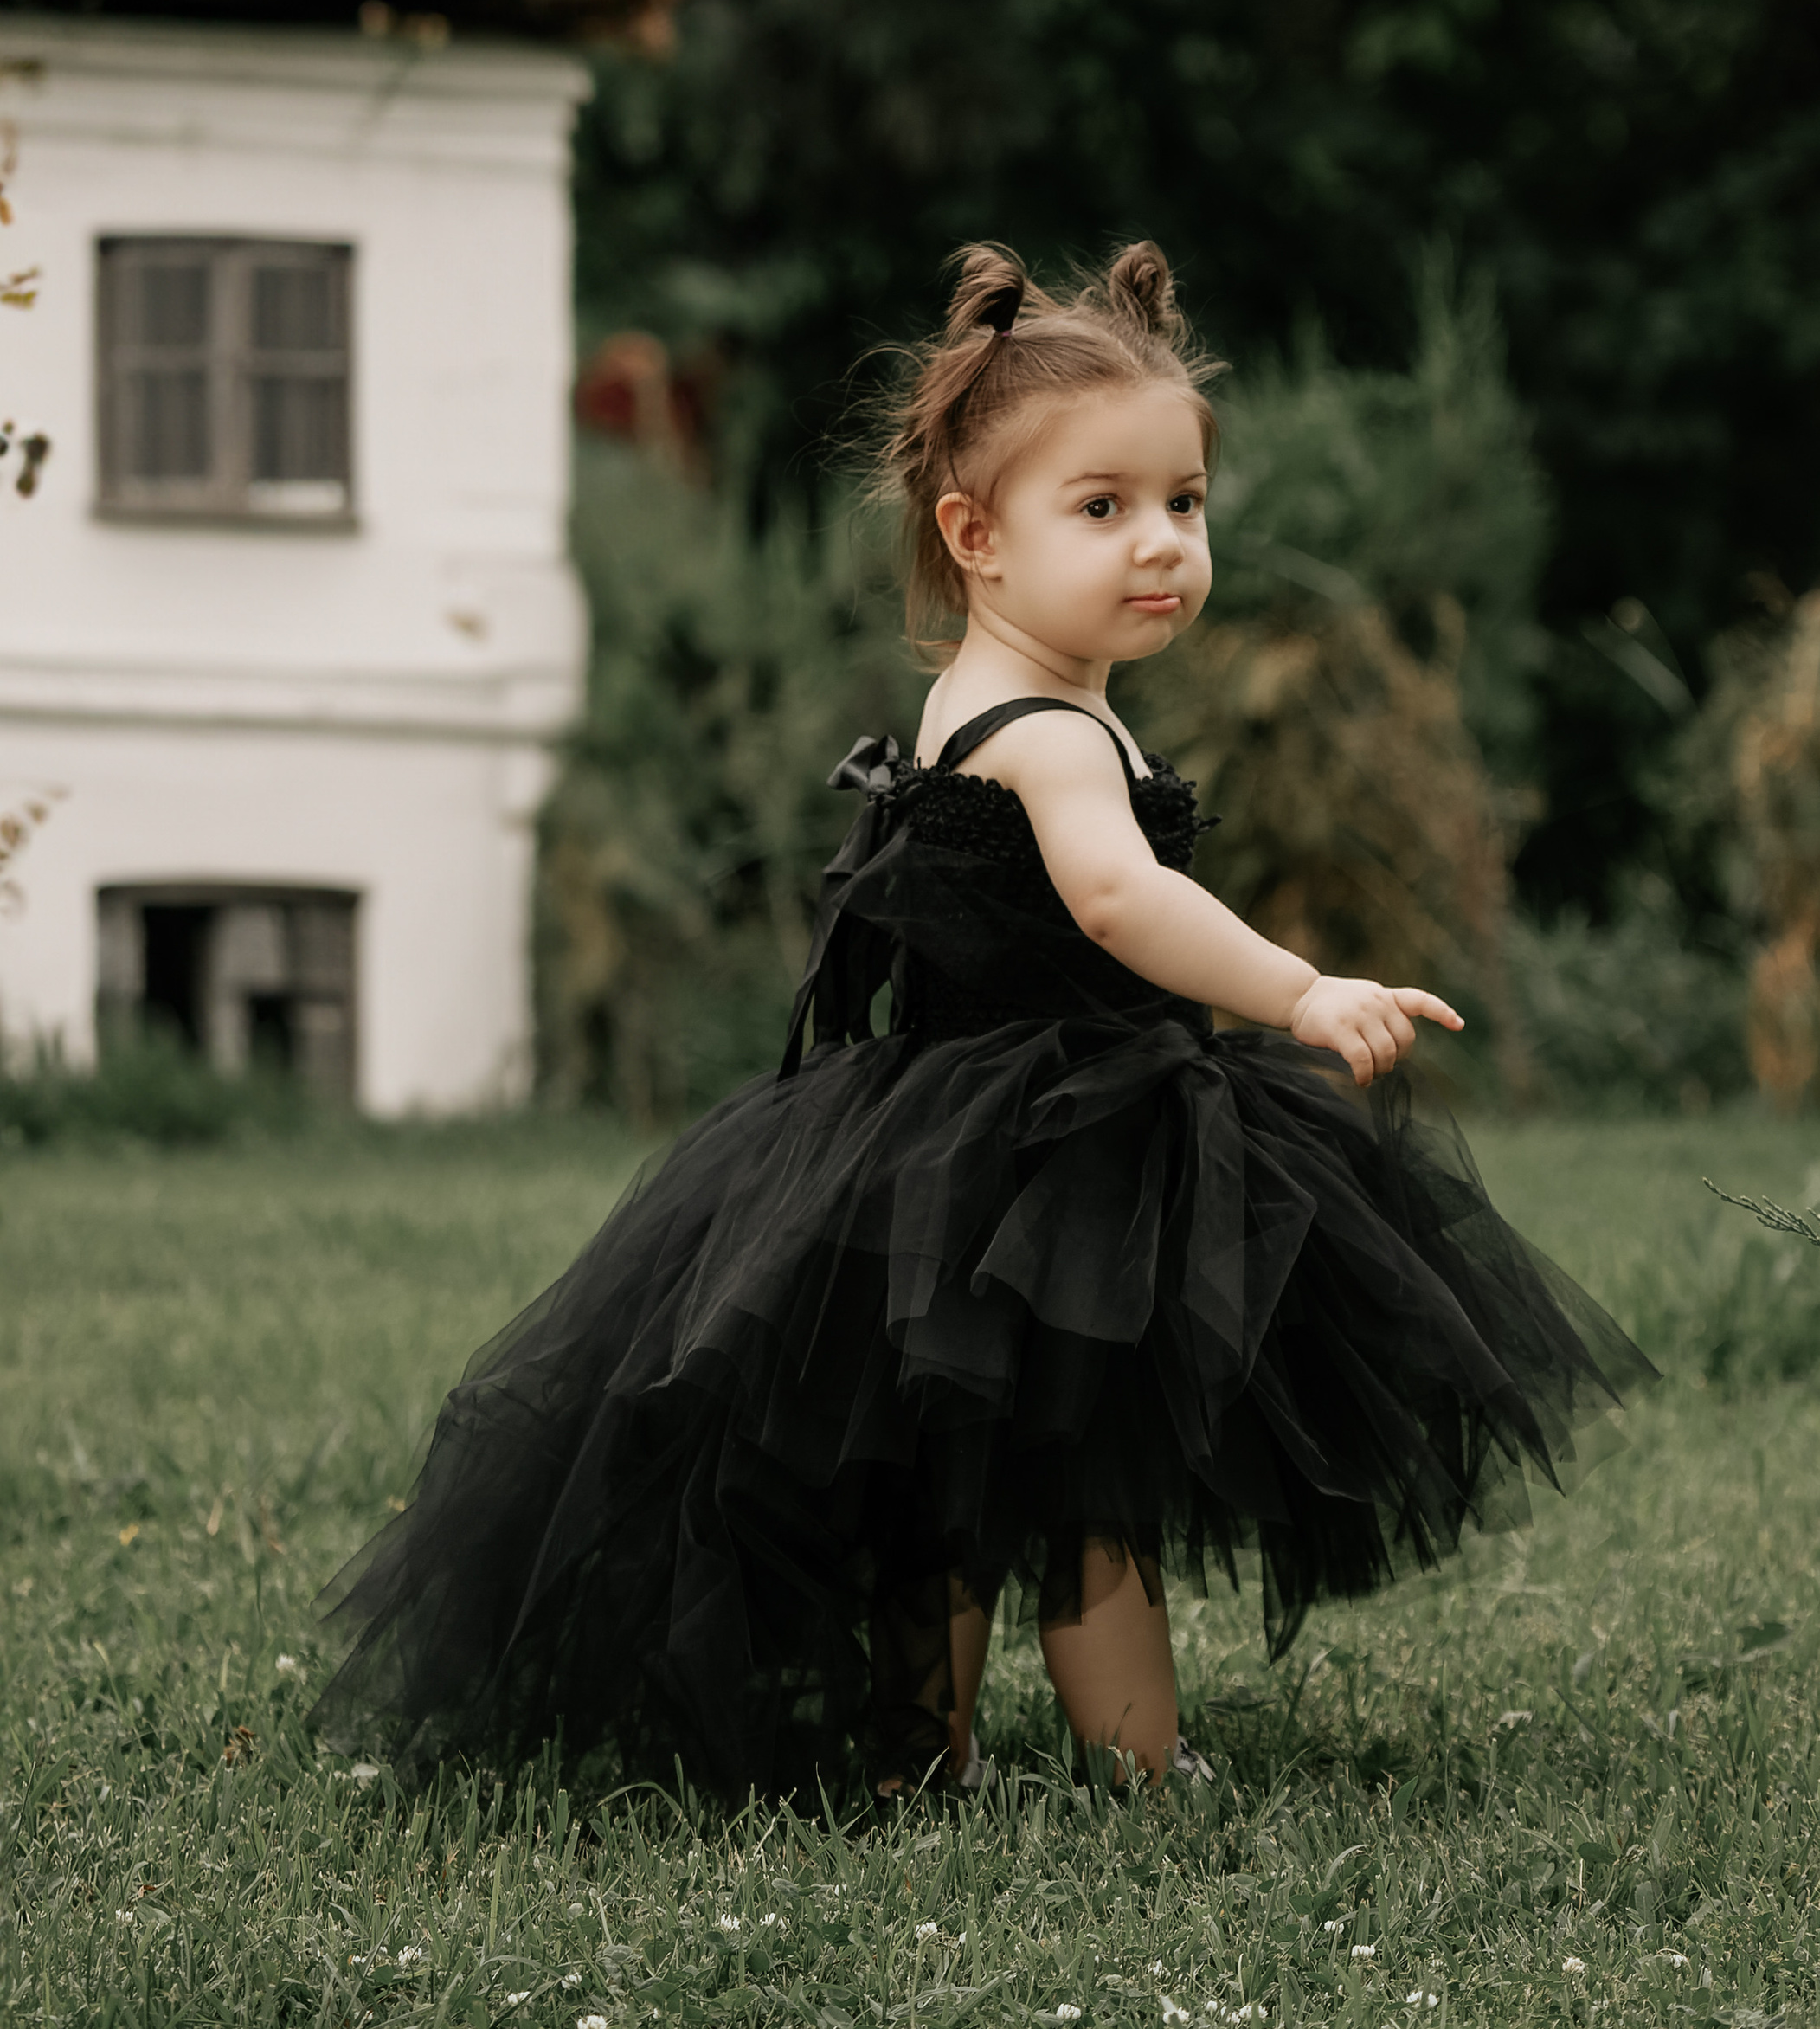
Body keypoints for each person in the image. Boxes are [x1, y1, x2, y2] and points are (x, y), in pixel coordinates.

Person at [314, 240, 1652, 1804]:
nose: (1161, 544)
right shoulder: (1056, 738)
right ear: (975, 537)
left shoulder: (989, 693)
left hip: (943, 1138)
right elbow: (1117, 900)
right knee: (1088, 1490)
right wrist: (1302, 988)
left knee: (933, 1489)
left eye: (1185, 504)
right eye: (1104, 508)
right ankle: (1135, 1768)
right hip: (1053, 1143)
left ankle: (915, 1754)